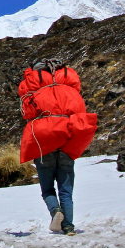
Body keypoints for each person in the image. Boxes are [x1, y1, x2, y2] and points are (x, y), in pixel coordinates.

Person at [18, 58, 98, 236]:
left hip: (44, 140)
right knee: (66, 190)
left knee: (47, 189)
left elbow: (27, 113)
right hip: (68, 138)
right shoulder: (71, 90)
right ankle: (68, 227)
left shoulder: (36, 90)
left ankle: (55, 211)